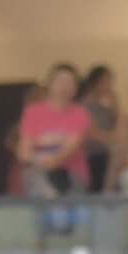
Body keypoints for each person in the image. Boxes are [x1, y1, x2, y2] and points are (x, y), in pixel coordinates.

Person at [18, 63, 91, 243]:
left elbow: (67, 151)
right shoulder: (33, 112)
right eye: (60, 81)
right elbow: (24, 152)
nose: (64, 87)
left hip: (72, 175)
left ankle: (57, 213)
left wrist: (42, 145)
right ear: (50, 84)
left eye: (70, 82)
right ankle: (48, 224)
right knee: (35, 181)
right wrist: (54, 144)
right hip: (39, 176)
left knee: (67, 226)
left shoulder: (80, 114)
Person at [76, 65, 122, 193]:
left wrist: (116, 107)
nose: (109, 86)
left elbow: (121, 128)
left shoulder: (108, 106)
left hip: (110, 149)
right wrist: (112, 140)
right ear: (95, 83)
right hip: (93, 151)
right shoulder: (84, 106)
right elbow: (91, 133)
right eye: (106, 82)